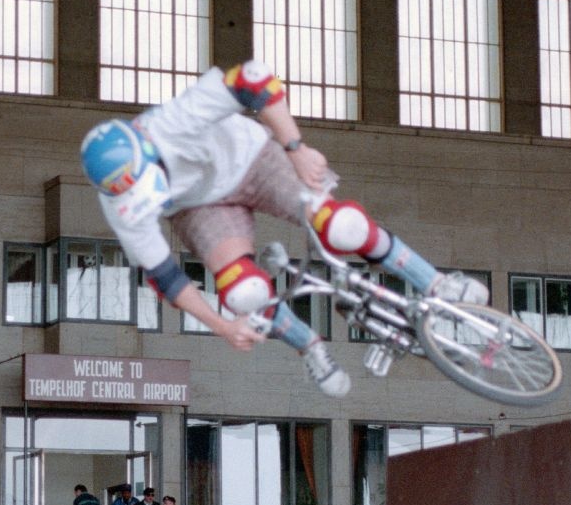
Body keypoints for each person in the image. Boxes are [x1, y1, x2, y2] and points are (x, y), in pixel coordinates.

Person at [78, 60, 486, 398]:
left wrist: (297, 148)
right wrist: (224, 328)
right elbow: (166, 278)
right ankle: (309, 345)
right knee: (243, 293)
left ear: (147, 152)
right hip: (199, 206)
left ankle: (437, 284)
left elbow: (253, 78)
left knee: (341, 227)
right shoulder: (119, 205)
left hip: (252, 158)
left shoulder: (173, 121)